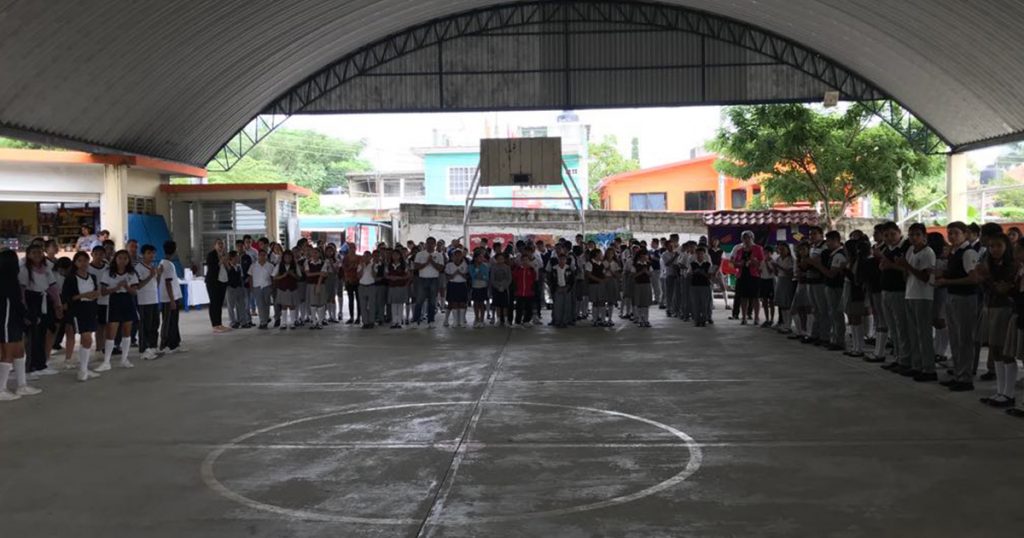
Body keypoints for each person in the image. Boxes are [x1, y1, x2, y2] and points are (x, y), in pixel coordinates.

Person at [935, 222, 980, 392]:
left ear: (965, 234)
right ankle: (958, 374)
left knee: (964, 339)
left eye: (955, 233)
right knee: (955, 338)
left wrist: (948, 281)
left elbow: (973, 278)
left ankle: (965, 377)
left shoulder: (968, 253)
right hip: (953, 296)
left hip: (965, 298)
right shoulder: (955, 252)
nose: (952, 236)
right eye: (949, 233)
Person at [973, 234, 1016, 406]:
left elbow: (1002, 289)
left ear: (1006, 247)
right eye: (991, 246)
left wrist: (987, 277)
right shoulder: (990, 264)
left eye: (998, 246)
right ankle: (1000, 390)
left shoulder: (1011, 266)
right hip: (989, 307)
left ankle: (1009, 393)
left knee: (1005, 351)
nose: (994, 250)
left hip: (1004, 309)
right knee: (995, 350)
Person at [898, 223, 938, 381]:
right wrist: (904, 268)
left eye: (917, 235)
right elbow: (907, 274)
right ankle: (917, 365)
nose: (913, 238)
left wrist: (906, 266)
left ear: (924, 236)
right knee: (913, 333)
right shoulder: (909, 250)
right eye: (911, 235)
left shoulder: (928, 253)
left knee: (924, 334)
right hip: (910, 294)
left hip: (923, 296)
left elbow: (925, 277)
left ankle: (929, 368)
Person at [1, 249, 40, 401]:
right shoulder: (5, 281)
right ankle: (1, 388)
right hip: (5, 321)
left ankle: (22, 385)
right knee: (7, 353)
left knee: (19, 351)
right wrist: (27, 315)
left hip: (14, 320)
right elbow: (14, 303)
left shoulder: (11, 279)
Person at [20, 244, 62, 379]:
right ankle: (31, 366)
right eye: (33, 253)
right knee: (33, 335)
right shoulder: (25, 270)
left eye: (39, 252)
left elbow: (53, 288)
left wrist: (57, 305)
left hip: (44, 301)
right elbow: (22, 292)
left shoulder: (46, 269)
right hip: (31, 302)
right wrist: (25, 310)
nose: (37, 255)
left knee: (43, 333)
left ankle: (41, 364)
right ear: (28, 254)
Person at [62, 251, 102, 381]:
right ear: (75, 263)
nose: (83, 263)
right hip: (78, 310)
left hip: (91, 308)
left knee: (88, 338)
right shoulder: (71, 278)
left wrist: (95, 294)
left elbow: (96, 292)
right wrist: (83, 295)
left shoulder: (92, 277)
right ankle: (82, 370)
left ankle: (84, 368)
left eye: (85, 260)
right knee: (85, 337)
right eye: (80, 261)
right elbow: (67, 297)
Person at [878, 222, 912, 373]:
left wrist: (891, 266)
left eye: (892, 234)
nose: (890, 238)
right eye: (886, 235)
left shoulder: (906, 248)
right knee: (892, 326)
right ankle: (898, 356)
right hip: (886, 289)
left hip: (900, 291)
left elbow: (909, 270)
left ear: (899, 232)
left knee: (902, 326)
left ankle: (906, 359)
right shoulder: (886, 249)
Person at [99, 249, 138, 371]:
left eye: (125, 258)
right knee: (111, 332)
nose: (122, 261)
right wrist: (116, 288)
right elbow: (103, 291)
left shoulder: (131, 273)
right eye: (120, 258)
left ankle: (124, 359)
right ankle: (106, 361)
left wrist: (126, 286)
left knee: (127, 330)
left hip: (127, 300)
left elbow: (135, 292)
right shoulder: (108, 272)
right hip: (114, 300)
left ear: (128, 260)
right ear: (115, 259)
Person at [134, 244, 164, 361]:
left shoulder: (152, 266)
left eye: (153, 253)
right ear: (142, 255)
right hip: (144, 301)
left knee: (154, 324)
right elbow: (138, 286)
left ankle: (153, 347)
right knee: (144, 326)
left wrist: (158, 274)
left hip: (154, 299)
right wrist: (151, 275)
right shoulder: (138, 268)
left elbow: (156, 283)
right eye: (148, 253)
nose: (151, 255)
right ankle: (143, 349)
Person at [731, 231, 764, 326]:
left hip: (754, 275)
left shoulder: (758, 248)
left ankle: (756, 317)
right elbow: (734, 264)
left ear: (752, 238)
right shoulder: (739, 250)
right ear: (742, 239)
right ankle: (744, 317)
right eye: (744, 238)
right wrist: (739, 263)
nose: (746, 239)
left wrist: (754, 262)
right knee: (743, 297)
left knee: (755, 297)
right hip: (742, 275)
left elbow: (762, 262)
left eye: (748, 237)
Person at [159, 240, 184, 352]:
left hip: (171, 297)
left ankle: (174, 342)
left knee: (173, 320)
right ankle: (166, 343)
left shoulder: (165, 263)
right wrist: (172, 300)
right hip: (169, 298)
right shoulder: (167, 264)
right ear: (174, 250)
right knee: (169, 321)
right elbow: (168, 283)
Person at [413, 237, 444, 327]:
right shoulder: (420, 254)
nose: (430, 245)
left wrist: (432, 262)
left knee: (432, 302)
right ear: (426, 244)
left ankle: (431, 321)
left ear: (435, 245)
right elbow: (416, 266)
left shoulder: (439, 255)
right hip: (422, 279)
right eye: (428, 243)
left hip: (434, 279)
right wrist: (427, 262)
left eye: (432, 243)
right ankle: (415, 321)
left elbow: (441, 268)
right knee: (419, 301)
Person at [204, 239, 230, 333]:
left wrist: (226, 261)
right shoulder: (211, 255)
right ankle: (215, 325)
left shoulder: (223, 254)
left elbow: (227, 267)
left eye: (222, 244)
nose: (221, 246)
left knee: (219, 303)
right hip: (213, 282)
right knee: (214, 303)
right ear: (215, 245)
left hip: (222, 281)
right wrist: (221, 260)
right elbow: (212, 267)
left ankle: (219, 324)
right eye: (219, 244)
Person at [249, 248, 276, 330]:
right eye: (260, 255)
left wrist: (273, 287)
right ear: (258, 256)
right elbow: (250, 277)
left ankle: (266, 319)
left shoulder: (270, 266)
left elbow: (273, 277)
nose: (262, 257)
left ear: (266, 256)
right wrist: (251, 287)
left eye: (264, 255)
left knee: (266, 305)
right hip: (257, 287)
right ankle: (262, 322)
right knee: (260, 305)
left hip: (267, 286)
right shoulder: (253, 265)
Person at [273, 250, 301, 330]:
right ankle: (283, 323)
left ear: (292, 258)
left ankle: (292, 323)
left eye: (289, 257)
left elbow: (299, 277)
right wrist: (283, 275)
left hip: (292, 288)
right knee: (284, 306)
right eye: (286, 257)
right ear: (283, 258)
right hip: (282, 288)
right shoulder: (279, 265)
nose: (287, 258)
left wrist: (292, 274)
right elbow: (274, 277)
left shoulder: (295, 266)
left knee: (292, 306)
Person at [772, 243, 796, 334]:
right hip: (780, 280)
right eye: (779, 249)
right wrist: (775, 267)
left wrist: (779, 267)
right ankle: (784, 323)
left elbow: (790, 272)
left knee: (787, 303)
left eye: (783, 249)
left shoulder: (791, 259)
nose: (781, 251)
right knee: (782, 303)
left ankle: (788, 325)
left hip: (788, 281)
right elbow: (776, 273)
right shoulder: (778, 259)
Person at [444, 249, 470, 328]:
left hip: (462, 284)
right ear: (453, 256)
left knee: (462, 303)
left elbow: (467, 277)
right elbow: (448, 277)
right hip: (452, 285)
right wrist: (455, 273)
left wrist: (461, 273)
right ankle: (455, 321)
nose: (458, 257)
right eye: (456, 255)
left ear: (462, 256)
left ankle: (462, 321)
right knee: (454, 303)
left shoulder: (465, 264)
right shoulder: (449, 265)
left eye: (459, 255)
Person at [549, 252, 576, 328]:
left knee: (567, 306)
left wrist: (568, 287)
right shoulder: (554, 269)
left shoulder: (569, 269)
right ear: (558, 260)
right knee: (558, 306)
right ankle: (557, 321)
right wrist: (555, 288)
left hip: (567, 289)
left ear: (566, 260)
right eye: (560, 259)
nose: (562, 261)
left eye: (564, 259)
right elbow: (551, 280)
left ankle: (565, 321)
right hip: (557, 289)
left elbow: (572, 280)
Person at [386, 250, 411, 329]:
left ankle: (399, 321)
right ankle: (394, 322)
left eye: (397, 255)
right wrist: (391, 277)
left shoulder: (404, 265)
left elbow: (408, 275)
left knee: (400, 304)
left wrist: (399, 278)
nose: (395, 256)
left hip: (401, 286)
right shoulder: (389, 265)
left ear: (400, 256)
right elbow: (385, 275)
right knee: (393, 304)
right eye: (393, 255)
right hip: (392, 286)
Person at [303, 247, 327, 329]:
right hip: (311, 285)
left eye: (316, 253)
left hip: (321, 285)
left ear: (320, 254)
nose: (314, 254)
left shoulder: (324, 262)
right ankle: (314, 322)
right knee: (312, 304)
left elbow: (324, 274)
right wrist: (319, 273)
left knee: (321, 303)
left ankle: (320, 322)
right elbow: (308, 274)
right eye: (313, 253)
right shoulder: (307, 262)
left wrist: (318, 285)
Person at [689, 247, 713, 327]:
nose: (699, 255)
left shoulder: (708, 264)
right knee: (695, 303)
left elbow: (710, 276)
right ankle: (697, 320)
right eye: (698, 254)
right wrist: (694, 272)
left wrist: (703, 273)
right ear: (696, 255)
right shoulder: (692, 264)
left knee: (705, 303)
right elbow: (688, 274)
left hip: (705, 285)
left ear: (704, 255)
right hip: (694, 285)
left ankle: (704, 319)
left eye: (701, 254)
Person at [512, 255, 537, 326]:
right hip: (519, 292)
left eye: (526, 260)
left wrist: (533, 289)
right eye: (523, 260)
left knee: (529, 308)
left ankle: (527, 321)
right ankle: (517, 321)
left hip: (529, 292)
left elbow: (534, 280)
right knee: (519, 308)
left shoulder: (531, 270)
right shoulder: (518, 269)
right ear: (521, 261)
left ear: (529, 261)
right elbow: (514, 279)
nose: (525, 261)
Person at [357, 251, 379, 329]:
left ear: (370, 257)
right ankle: (365, 322)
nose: (366, 258)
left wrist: (372, 268)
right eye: (365, 256)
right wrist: (362, 268)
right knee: (363, 305)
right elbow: (358, 276)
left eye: (368, 256)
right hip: (362, 286)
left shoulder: (374, 265)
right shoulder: (360, 265)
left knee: (372, 305)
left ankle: (371, 321)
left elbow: (374, 276)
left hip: (371, 286)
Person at [468, 251, 490, 328]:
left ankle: (482, 319)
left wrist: (481, 276)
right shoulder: (471, 266)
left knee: (481, 303)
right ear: (475, 258)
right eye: (479, 257)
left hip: (483, 286)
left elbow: (486, 277)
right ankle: (476, 318)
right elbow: (472, 276)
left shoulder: (485, 266)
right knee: (476, 302)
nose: (481, 258)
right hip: (475, 286)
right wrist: (477, 271)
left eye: (482, 257)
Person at [490, 253, 513, 327]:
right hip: (496, 288)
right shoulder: (493, 268)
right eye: (499, 259)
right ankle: (498, 319)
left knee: (505, 305)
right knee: (498, 305)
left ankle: (506, 320)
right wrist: (497, 286)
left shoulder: (507, 267)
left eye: (502, 258)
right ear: (496, 260)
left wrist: (504, 286)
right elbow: (492, 279)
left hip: (505, 288)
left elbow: (509, 279)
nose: (500, 260)